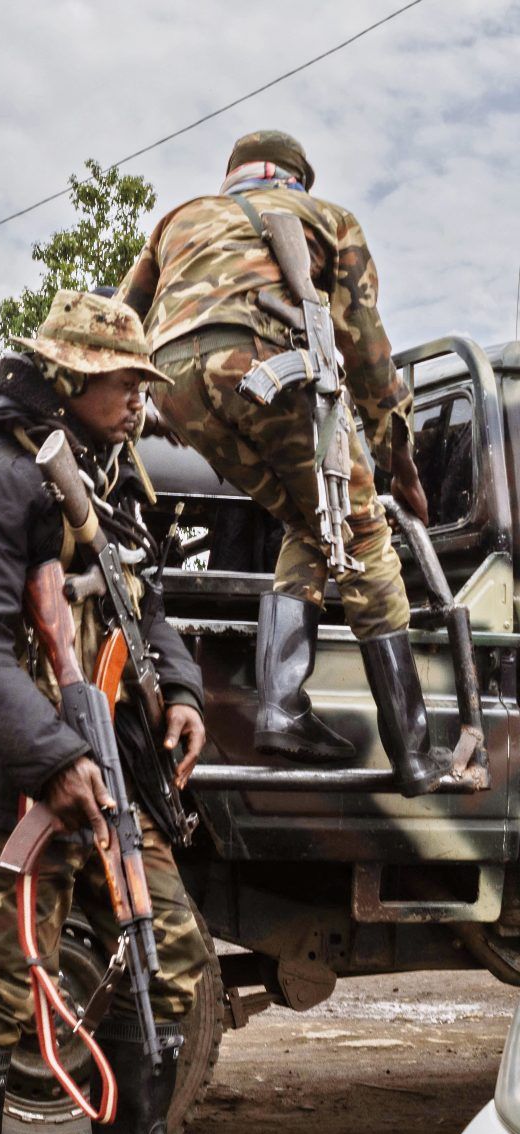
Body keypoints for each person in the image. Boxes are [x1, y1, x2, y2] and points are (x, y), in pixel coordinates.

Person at [0, 291, 245, 1134]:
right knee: (2, 978)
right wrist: (52, 761)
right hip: (16, 777)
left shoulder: (105, 478)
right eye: (124, 382)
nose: (141, 400)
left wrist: (178, 693)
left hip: (116, 767)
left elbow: (150, 604)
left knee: (169, 949)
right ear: (68, 379)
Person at [119, 130, 450, 796]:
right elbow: (365, 348)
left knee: (308, 520)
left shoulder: (178, 220)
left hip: (172, 385)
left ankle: (283, 707)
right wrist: (399, 458)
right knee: (363, 540)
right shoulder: (327, 219)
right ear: (298, 179)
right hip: (265, 367)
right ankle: (415, 754)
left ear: (233, 177)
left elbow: (119, 314)